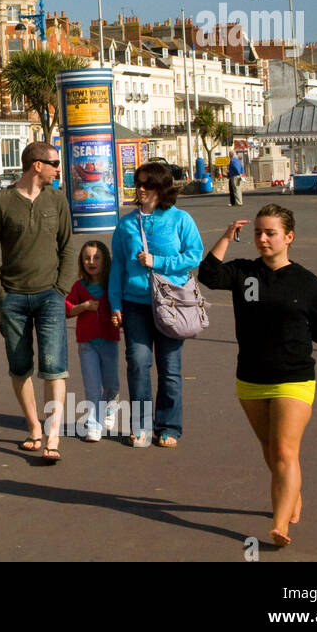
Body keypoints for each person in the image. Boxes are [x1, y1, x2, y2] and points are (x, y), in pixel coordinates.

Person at [198, 204, 317, 547]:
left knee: (285, 450)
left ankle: (280, 523)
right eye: (258, 232)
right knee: (270, 448)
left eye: (270, 233)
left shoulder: (306, 281)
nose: (262, 239)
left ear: (289, 237)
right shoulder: (245, 273)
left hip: (294, 377)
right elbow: (208, 275)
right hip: (251, 377)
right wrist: (227, 237)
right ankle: (293, 493)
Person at [0, 141, 76, 461]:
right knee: (20, 366)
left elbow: (67, 246)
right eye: (54, 163)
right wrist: (0, 295)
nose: (57, 169)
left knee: (54, 366)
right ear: (37, 165)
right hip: (14, 298)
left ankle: (52, 435)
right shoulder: (1, 202)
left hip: (50, 294)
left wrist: (62, 289)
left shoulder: (57, 199)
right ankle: (34, 426)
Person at [109, 161, 204, 448]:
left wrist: (159, 262)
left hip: (171, 301)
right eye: (137, 183)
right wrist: (115, 303)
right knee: (138, 363)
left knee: (170, 367)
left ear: (161, 189)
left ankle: (169, 425)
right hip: (135, 302)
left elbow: (194, 255)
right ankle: (141, 425)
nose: (140, 189)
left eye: (147, 184)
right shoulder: (126, 224)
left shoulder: (180, 220)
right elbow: (117, 267)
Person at [64, 240, 120, 442]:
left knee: (112, 384)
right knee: (92, 386)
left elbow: (120, 307)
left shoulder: (112, 285)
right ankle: (94, 425)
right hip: (87, 344)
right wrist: (85, 306)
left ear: (105, 261)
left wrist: (117, 317)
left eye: (96, 257)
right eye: (87, 258)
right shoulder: (79, 287)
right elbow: (68, 309)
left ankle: (110, 407)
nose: (91, 261)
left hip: (109, 341)